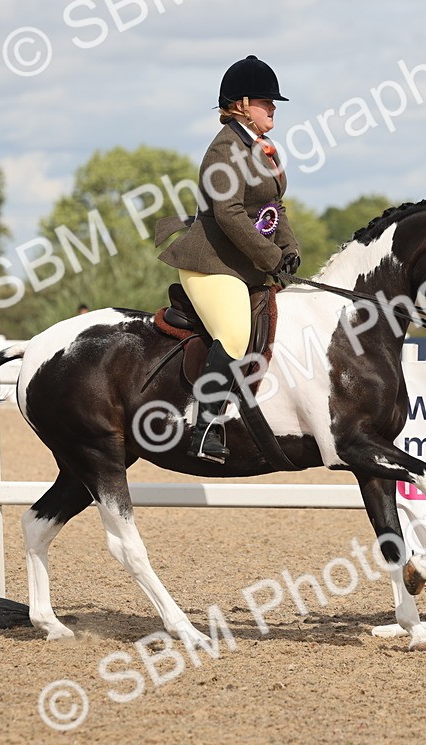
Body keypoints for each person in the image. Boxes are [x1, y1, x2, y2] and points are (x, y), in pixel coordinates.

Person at [157, 55, 301, 464]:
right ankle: (203, 428)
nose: (272, 107)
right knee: (235, 334)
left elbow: (274, 207)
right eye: (265, 101)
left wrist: (289, 250)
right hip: (211, 264)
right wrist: (271, 256)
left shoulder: (260, 148)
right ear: (240, 104)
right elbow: (229, 213)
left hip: (245, 263)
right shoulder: (224, 149)